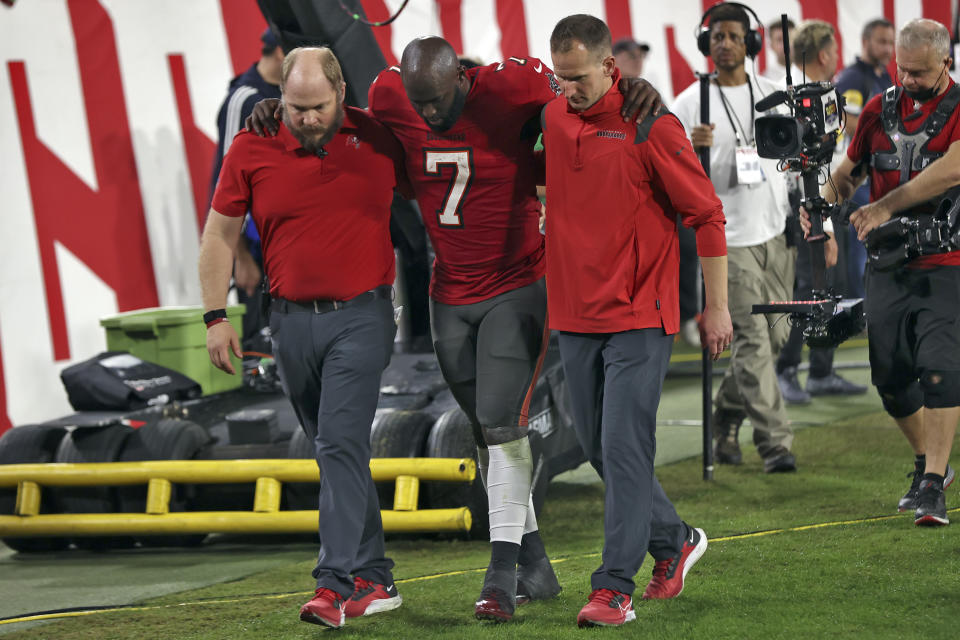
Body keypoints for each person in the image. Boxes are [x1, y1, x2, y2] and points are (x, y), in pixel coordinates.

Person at [246, 36, 663, 623]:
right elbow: (348, 122)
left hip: (517, 284)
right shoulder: (393, 95)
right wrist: (270, 110)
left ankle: (500, 575)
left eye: (439, 101)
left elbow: (580, 92)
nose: (429, 114)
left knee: (501, 424)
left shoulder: (514, 86)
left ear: (463, 80)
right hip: (449, 293)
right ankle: (546, 564)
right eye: (420, 103)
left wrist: (631, 90)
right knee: (486, 433)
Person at [200, 47, 410, 629]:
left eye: (318, 107)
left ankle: (332, 584)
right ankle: (377, 576)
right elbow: (218, 236)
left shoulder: (379, 138)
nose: (308, 119)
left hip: (363, 317)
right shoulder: (253, 143)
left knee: (340, 444)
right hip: (288, 320)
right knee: (333, 450)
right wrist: (215, 316)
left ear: (341, 93)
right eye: (296, 108)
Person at [543, 14, 732, 628]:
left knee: (623, 446)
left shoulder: (653, 124)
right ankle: (674, 539)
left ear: (609, 67)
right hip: (573, 314)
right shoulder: (550, 114)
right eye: (559, 77)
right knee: (600, 448)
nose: (567, 90)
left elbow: (707, 214)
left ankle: (612, 587)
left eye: (578, 79)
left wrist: (717, 305)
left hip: (639, 314)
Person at [805, 18, 960, 525]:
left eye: (921, 72)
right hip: (887, 263)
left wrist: (887, 205)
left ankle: (934, 483)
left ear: (947, 64)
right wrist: (821, 208)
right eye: (903, 70)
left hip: (947, 262)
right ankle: (924, 461)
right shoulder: (878, 108)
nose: (909, 80)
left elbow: (951, 169)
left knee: (939, 369)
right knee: (891, 379)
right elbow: (849, 174)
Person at [672, 2, 798, 473]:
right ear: (706, 44)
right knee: (751, 343)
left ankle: (724, 414)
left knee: (778, 339)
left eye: (733, 35)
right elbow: (672, 178)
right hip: (727, 242)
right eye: (717, 36)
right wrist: (692, 151)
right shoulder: (689, 103)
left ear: (751, 42)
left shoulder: (773, 94)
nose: (725, 44)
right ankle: (776, 444)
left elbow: (790, 166)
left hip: (775, 232)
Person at [775, 20, 867, 404]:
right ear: (826, 53)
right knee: (808, 290)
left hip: (828, 204)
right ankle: (785, 369)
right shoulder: (788, 98)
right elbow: (792, 170)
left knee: (834, 288)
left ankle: (822, 371)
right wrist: (820, 221)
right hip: (805, 209)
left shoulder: (829, 95)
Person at [208, 28, 284, 353]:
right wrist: (240, 257)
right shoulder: (245, 98)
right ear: (281, 52)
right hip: (253, 249)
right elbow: (224, 190)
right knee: (258, 352)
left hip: (279, 243)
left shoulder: (287, 95)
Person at [835, 18, 896, 298]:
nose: (888, 48)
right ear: (865, 42)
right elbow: (843, 118)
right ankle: (862, 307)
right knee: (863, 245)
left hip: (878, 175)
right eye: (882, 41)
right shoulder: (854, 78)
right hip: (858, 178)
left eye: (891, 42)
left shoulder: (883, 76)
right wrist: (878, 134)